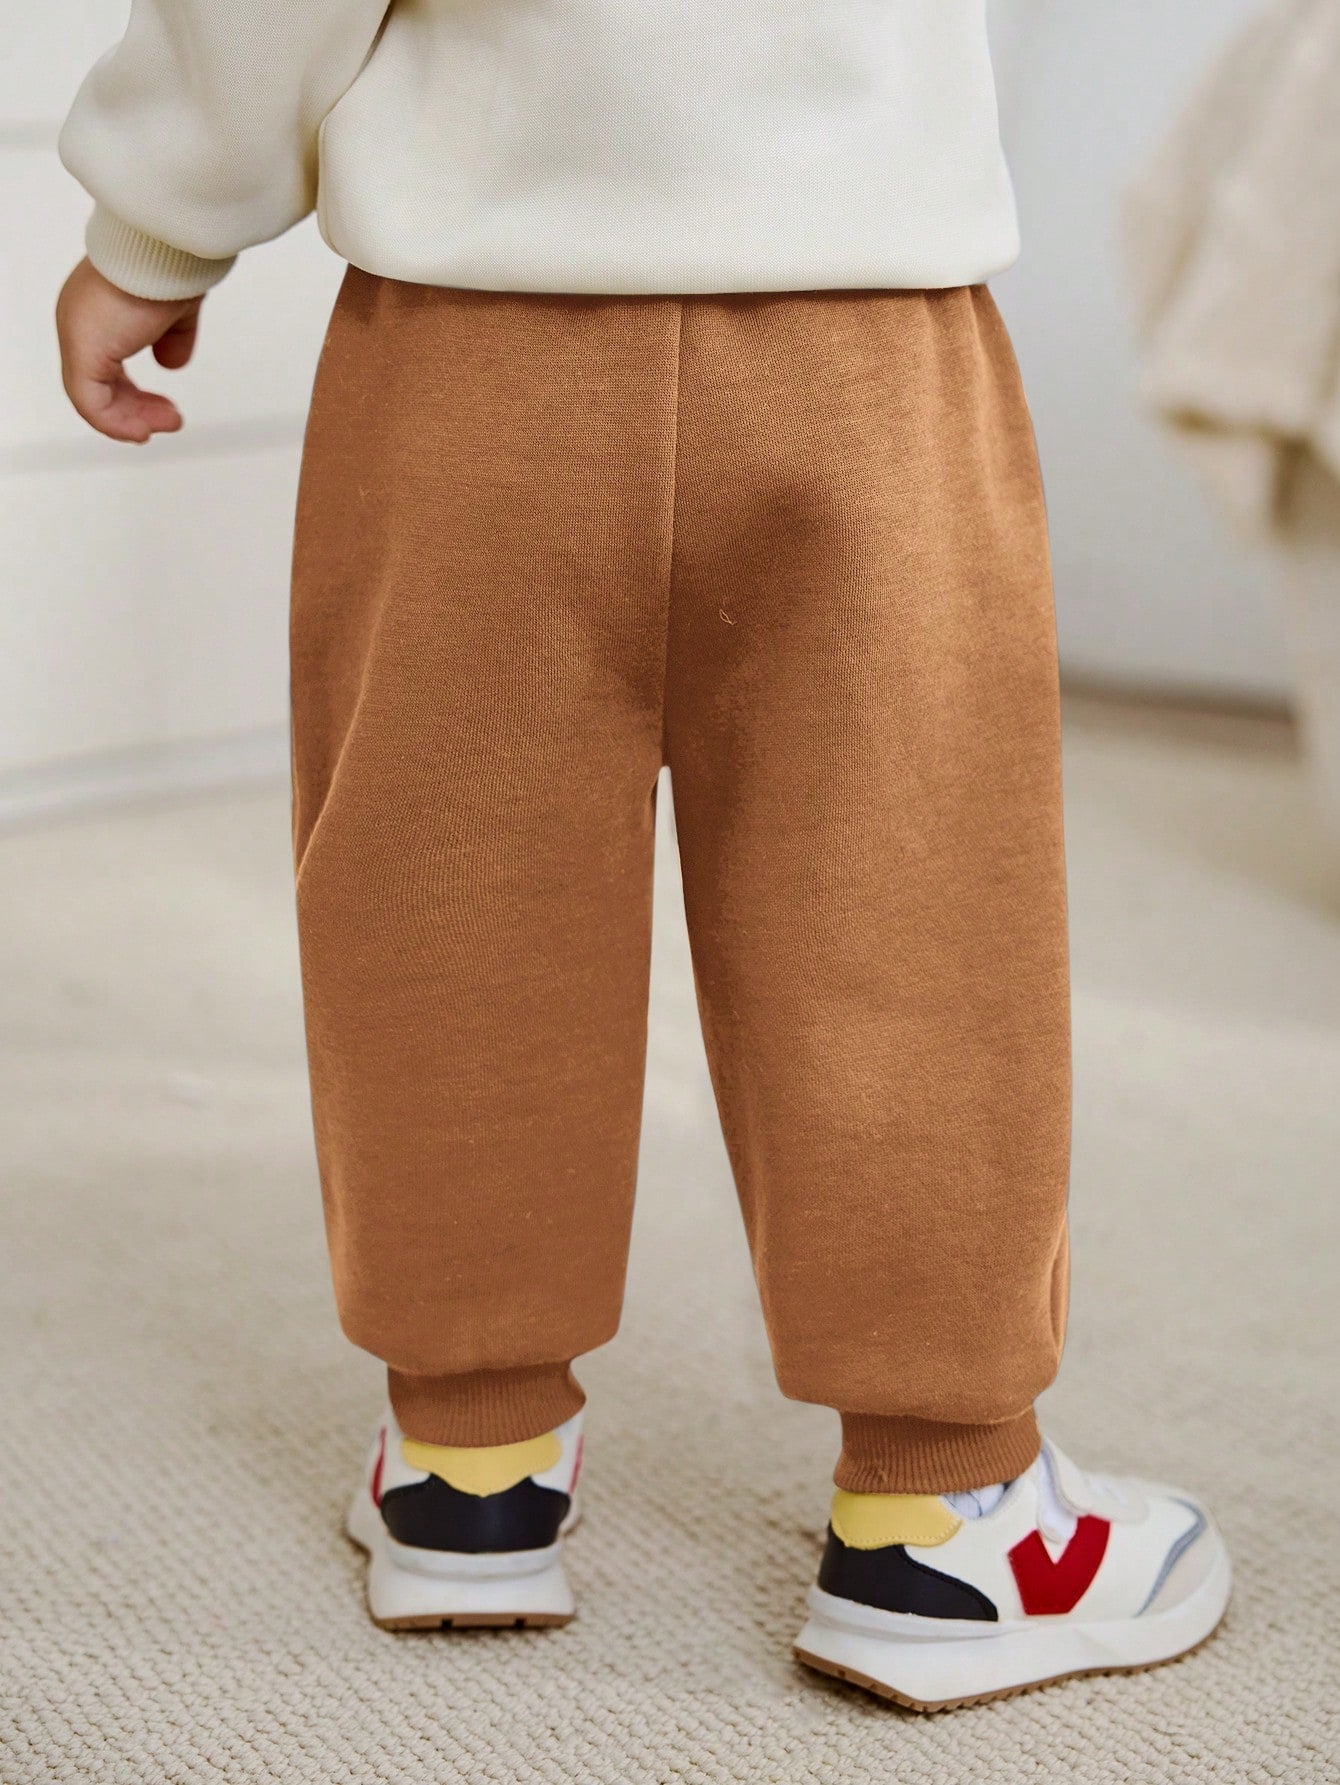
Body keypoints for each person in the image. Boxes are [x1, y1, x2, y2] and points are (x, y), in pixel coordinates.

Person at [54, 1, 1229, 1711]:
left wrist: (156, 222)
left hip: (478, 339)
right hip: (861, 321)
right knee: (906, 899)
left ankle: (469, 1463)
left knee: (449, 889)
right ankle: (945, 1510)